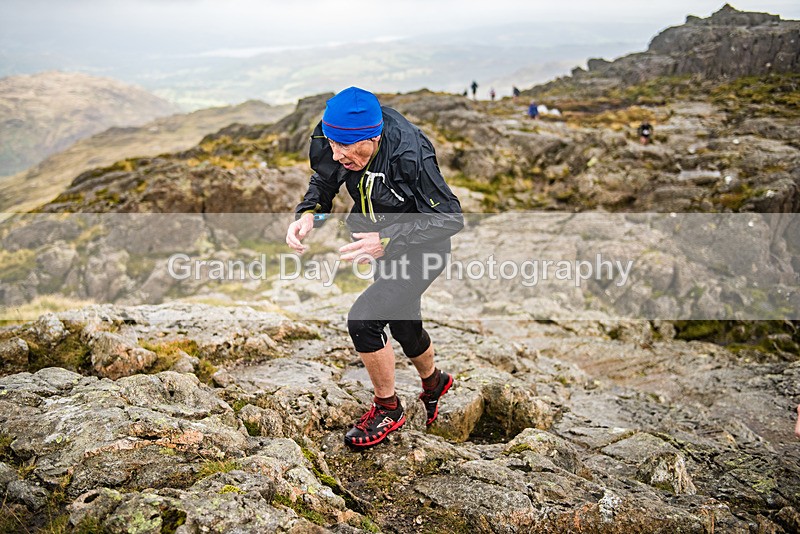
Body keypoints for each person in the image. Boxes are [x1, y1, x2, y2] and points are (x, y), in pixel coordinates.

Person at [286, 87, 463, 449]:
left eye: (346, 149)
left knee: (364, 321)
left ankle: (388, 408)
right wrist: (309, 215)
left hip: (421, 249)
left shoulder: (410, 152)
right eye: (332, 145)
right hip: (379, 245)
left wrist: (389, 239)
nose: (337, 155)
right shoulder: (331, 137)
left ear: (374, 137)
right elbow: (324, 182)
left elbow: (451, 217)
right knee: (403, 324)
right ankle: (434, 382)